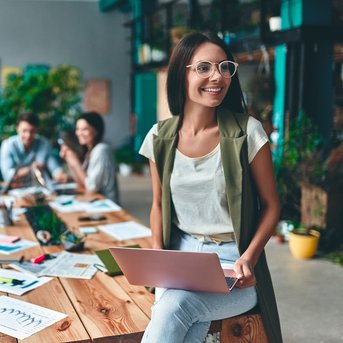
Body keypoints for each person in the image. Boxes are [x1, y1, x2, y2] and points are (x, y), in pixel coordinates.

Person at [139, 31, 283, 343]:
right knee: (183, 323)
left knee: (174, 309)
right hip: (180, 258)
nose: (216, 77)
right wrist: (157, 255)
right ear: (182, 74)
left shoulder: (248, 133)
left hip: (234, 264)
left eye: (224, 67)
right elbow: (159, 205)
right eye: (203, 68)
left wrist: (250, 257)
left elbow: (272, 205)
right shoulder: (159, 137)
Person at [60, 111, 119, 203]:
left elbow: (91, 187)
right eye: (78, 129)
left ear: (96, 131)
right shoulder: (89, 152)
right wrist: (69, 159)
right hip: (95, 203)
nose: (79, 133)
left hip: (107, 207)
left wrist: (75, 163)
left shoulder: (101, 150)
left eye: (84, 129)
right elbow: (80, 182)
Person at [0, 112, 67, 185]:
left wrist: (59, 174)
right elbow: (8, 177)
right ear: (17, 129)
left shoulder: (44, 143)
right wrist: (32, 168)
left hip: (40, 188)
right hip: (16, 189)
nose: (28, 135)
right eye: (24, 131)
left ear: (37, 130)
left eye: (32, 131)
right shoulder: (7, 145)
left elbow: (54, 167)